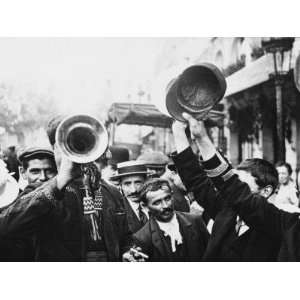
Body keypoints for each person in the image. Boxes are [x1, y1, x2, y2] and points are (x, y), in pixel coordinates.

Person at [0, 115, 132, 261]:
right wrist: (60, 181)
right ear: (54, 149)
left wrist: (126, 252)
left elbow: (125, 238)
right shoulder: (42, 190)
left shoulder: (112, 192)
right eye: (68, 145)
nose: (76, 153)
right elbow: (6, 227)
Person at [180, 113, 300, 261]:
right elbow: (196, 181)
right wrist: (178, 130)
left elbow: (232, 188)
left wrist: (203, 139)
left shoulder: (281, 223)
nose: (232, 188)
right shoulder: (225, 210)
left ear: (266, 191)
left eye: (240, 184)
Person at [125, 178, 209, 262]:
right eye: (157, 202)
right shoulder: (142, 238)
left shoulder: (195, 221)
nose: (165, 205)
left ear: (172, 196)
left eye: (167, 198)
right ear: (145, 206)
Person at [110, 160, 149, 233]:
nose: (133, 190)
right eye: (127, 184)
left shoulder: (155, 203)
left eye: (138, 183)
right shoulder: (116, 212)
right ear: (120, 186)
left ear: (146, 182)